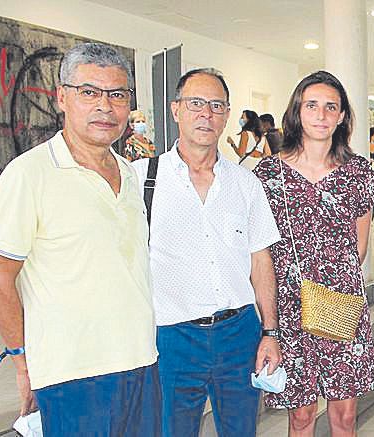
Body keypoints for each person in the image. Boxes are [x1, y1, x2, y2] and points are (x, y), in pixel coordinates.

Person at [0, 42, 159, 436]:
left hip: (141, 360)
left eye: (117, 95)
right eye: (89, 92)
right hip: (72, 373)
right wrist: (22, 362)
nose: (105, 106)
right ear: (62, 97)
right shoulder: (28, 174)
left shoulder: (130, 174)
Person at [131, 68, 283, 436]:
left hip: (238, 334)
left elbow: (260, 260)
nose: (206, 114)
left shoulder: (245, 183)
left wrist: (270, 332)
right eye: (196, 103)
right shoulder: (140, 179)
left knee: (241, 430)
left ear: (227, 115)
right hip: (172, 336)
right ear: (175, 110)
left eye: (217, 106)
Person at [254, 71, 374, 437]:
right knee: (302, 416)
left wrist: (331, 286)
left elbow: (359, 245)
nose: (321, 115)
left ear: (341, 116)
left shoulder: (357, 172)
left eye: (331, 107)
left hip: (339, 301)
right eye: (312, 105)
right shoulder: (268, 173)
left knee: (343, 416)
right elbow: (259, 250)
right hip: (290, 307)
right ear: (297, 111)